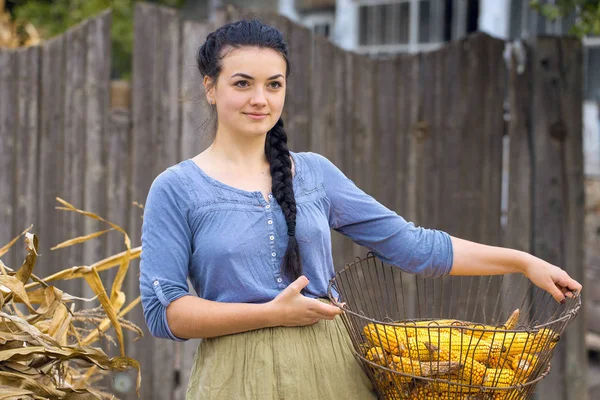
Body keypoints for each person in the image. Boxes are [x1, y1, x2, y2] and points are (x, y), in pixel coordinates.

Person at [139, 19, 582, 400]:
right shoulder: (177, 189)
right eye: (242, 83)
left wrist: (521, 262)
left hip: (334, 372)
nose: (261, 99)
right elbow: (166, 314)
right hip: (234, 378)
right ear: (210, 88)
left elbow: (412, 246)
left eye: (274, 84)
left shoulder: (314, 174)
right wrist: (270, 314)